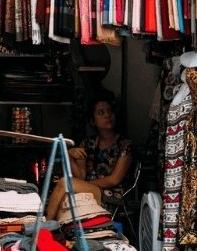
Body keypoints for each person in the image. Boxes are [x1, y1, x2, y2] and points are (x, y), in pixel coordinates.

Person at [47, 93, 135, 222]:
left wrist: (82, 185)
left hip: (111, 196)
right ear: (93, 120)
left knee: (65, 183)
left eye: (109, 111)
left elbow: (114, 180)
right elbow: (80, 176)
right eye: (101, 112)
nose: (107, 115)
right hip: (89, 191)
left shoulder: (125, 145)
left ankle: (45, 224)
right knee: (66, 194)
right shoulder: (87, 144)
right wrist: (70, 155)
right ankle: (58, 230)